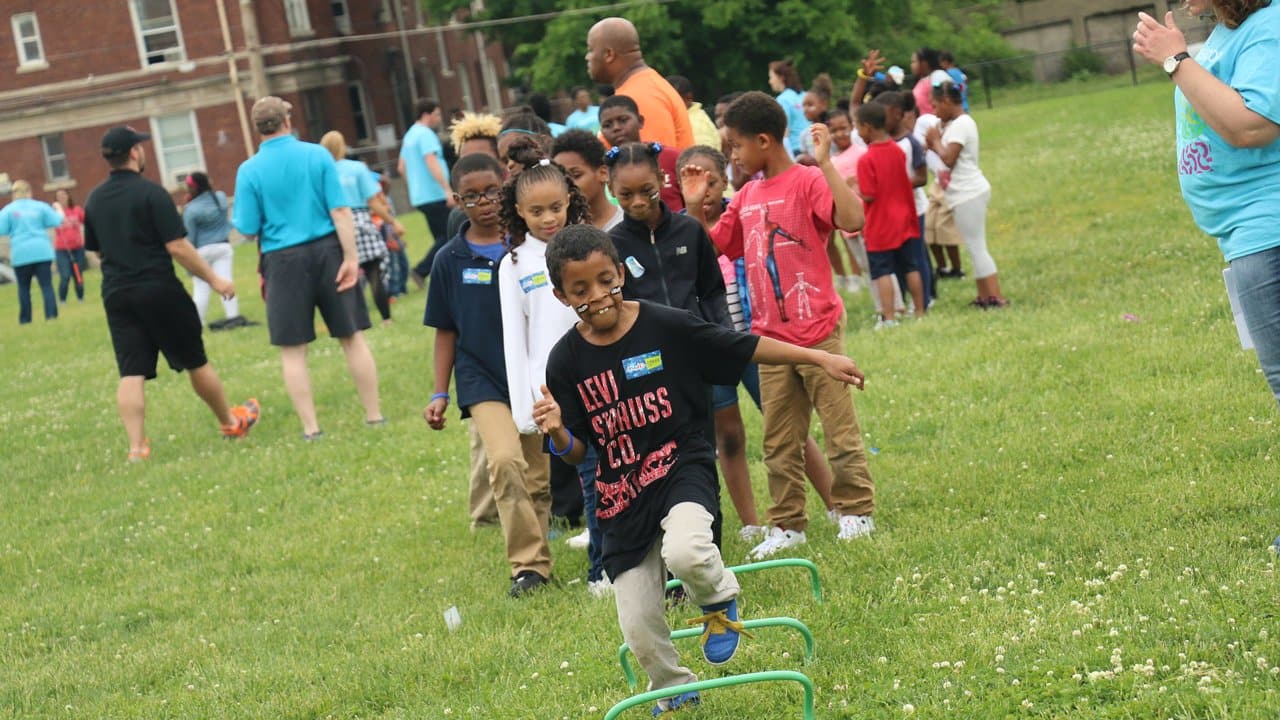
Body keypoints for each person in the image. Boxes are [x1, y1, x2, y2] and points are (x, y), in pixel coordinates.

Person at [536, 225, 866, 714]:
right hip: (621, 493)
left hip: (681, 467)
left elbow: (741, 346)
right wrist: (559, 431)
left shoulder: (666, 325)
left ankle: (718, 599)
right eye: (581, 290)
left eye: (606, 280)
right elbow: (576, 452)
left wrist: (818, 357)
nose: (598, 296)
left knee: (688, 552)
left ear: (621, 273)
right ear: (562, 295)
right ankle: (675, 688)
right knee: (638, 629)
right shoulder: (564, 361)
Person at [682, 91, 877, 559]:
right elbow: (712, 251)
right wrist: (694, 208)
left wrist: (827, 165)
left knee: (839, 432)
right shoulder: (747, 195)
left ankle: (857, 512)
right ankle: (788, 524)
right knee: (779, 441)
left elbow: (852, 218)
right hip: (769, 342)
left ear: (764, 141)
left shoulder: (808, 181)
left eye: (735, 147)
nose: (731, 156)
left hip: (819, 335)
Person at [675, 146, 837, 540]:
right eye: (695, 182)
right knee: (728, 435)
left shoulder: (749, 210)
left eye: (713, 180)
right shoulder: (680, 231)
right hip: (712, 347)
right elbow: (692, 269)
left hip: (757, 342)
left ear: (725, 179)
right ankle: (750, 523)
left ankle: (835, 504)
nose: (706, 189)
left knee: (787, 427)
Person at [1132, 0, 1280, 409]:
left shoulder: (1271, 27)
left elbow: (1252, 125)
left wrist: (1176, 59)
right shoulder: (1235, 28)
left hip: (1269, 230)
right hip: (1249, 235)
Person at [83, 126, 258, 460]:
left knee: (131, 371)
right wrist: (215, 280)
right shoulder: (152, 193)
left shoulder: (94, 199)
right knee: (195, 361)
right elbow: (177, 246)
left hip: (117, 293)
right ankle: (230, 422)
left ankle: (136, 448)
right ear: (134, 152)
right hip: (158, 289)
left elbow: (97, 252)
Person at [424, 153, 554, 596]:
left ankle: (540, 555)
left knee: (536, 473)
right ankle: (528, 566)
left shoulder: (530, 249)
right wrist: (440, 392)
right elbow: (445, 329)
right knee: (503, 460)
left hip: (534, 373)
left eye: (492, 191)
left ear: (506, 187)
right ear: (458, 201)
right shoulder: (449, 259)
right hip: (482, 377)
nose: (484, 202)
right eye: (472, 196)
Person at [233, 97, 384, 439]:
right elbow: (340, 211)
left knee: (293, 350)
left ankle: (311, 428)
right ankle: (374, 415)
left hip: (282, 259)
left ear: (258, 128)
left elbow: (245, 227)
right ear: (287, 120)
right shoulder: (317, 155)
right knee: (351, 337)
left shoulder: (249, 170)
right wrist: (350, 258)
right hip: (328, 250)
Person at [496, 146, 594, 594]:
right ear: (519, 211)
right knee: (539, 481)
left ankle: (609, 555)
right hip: (545, 390)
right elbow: (515, 341)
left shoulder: (587, 246)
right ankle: (534, 567)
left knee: (601, 468)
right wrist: (523, 407)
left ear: (570, 200)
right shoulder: (513, 264)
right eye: (537, 211)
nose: (549, 218)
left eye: (556, 207)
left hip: (595, 377)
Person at [923, 82, 1008, 308]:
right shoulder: (954, 124)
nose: (934, 111)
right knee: (973, 247)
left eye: (936, 105)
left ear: (947, 102)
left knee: (977, 247)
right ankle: (983, 297)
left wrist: (934, 143)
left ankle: (995, 297)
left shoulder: (963, 123)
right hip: (961, 193)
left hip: (969, 192)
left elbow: (949, 158)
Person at [854, 102, 926, 327]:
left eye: (858, 126)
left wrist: (852, 187)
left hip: (880, 224)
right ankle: (920, 311)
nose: (857, 132)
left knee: (881, 271)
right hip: (904, 217)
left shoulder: (866, 159)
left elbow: (869, 194)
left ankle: (889, 317)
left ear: (867, 127)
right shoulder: (897, 150)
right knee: (910, 266)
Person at [321, 131, 404, 326]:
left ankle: (351, 321)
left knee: (343, 277)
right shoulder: (357, 168)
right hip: (360, 219)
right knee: (374, 272)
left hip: (333, 225)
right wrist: (392, 222)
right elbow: (374, 202)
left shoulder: (322, 172)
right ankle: (386, 318)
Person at [585, 17, 694, 149]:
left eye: (590, 50)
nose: (587, 57)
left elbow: (653, 164)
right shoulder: (644, 85)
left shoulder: (640, 96)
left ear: (609, 54)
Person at [873, 91, 933, 304]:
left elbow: (922, 177)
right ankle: (908, 297)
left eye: (883, 116)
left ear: (897, 114)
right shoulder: (882, 144)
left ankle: (925, 299)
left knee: (916, 257)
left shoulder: (911, 143)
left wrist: (894, 187)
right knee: (898, 258)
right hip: (891, 212)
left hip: (913, 209)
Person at [182, 172, 249, 330]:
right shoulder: (220, 198)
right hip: (223, 247)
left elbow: (189, 238)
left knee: (201, 287)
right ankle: (232, 316)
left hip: (201, 251)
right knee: (225, 282)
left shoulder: (190, 209)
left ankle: (198, 322)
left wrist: (190, 264)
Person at [399, 98, 455, 286]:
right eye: (437, 114)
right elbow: (431, 160)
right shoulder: (425, 135)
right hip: (435, 194)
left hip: (421, 196)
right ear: (426, 115)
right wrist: (447, 189)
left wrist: (414, 186)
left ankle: (444, 273)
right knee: (450, 234)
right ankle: (421, 270)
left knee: (441, 236)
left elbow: (401, 167)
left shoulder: (409, 136)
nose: (439, 119)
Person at [599, 94, 683, 211]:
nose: (616, 128)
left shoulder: (671, 157)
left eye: (623, 120)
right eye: (607, 125)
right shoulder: (603, 169)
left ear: (640, 121)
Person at [0, 180, 62, 324]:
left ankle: (26, 319)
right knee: (46, 285)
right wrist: (58, 209)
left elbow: (1, 229)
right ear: (29, 191)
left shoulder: (8, 210)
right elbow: (56, 220)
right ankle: (51, 316)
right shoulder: (40, 206)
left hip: (21, 252)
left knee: (24, 288)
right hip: (41, 251)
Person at [552, 129, 624, 232]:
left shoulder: (628, 222)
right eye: (560, 178)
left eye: (576, 175)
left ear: (603, 173)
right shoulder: (559, 229)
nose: (566, 185)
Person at [666, 75, 721, 150]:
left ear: (688, 98)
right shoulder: (687, 119)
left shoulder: (697, 125)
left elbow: (702, 158)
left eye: (670, 98)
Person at [767, 59, 808, 158]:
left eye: (771, 77)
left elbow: (783, 131)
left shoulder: (783, 100)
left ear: (781, 78)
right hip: (813, 148)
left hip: (796, 152)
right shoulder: (806, 96)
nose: (770, 81)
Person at [52, 189, 86, 303]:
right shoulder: (55, 213)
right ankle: (62, 299)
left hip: (77, 248)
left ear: (68, 196)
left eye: (63, 195)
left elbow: (86, 221)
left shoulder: (76, 210)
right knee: (65, 276)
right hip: (62, 249)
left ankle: (80, 298)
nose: (61, 197)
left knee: (78, 274)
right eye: (58, 196)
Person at [796, 74, 834, 163]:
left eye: (810, 105)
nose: (805, 109)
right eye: (803, 105)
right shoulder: (804, 135)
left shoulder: (833, 129)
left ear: (824, 104)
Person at [910, 47, 951, 116]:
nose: (911, 65)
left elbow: (944, 96)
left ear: (924, 63)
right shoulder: (922, 81)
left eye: (914, 62)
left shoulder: (937, 76)